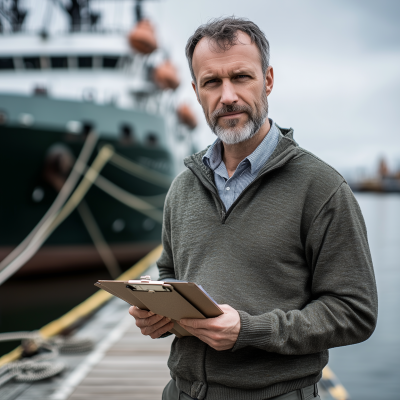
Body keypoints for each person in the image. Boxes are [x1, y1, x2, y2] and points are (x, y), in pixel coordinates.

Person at [129, 17, 378, 400]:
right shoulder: (182, 188)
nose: (227, 95)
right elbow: (170, 273)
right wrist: (157, 314)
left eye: (241, 77)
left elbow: (355, 312)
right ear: (196, 92)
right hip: (180, 392)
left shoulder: (322, 187)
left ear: (268, 80)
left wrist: (249, 330)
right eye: (212, 82)